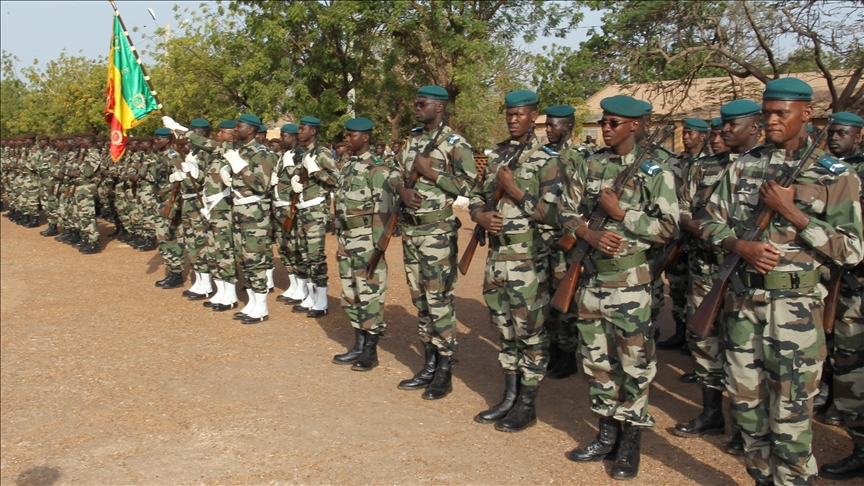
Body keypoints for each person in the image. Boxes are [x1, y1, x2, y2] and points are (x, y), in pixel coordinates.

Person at [700, 78, 864, 486]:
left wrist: (795, 216)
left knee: (790, 420)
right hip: (743, 304)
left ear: (806, 114)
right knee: (748, 412)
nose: (770, 120)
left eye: (780, 113)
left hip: (797, 310)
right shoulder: (743, 165)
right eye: (766, 112)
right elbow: (706, 222)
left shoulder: (835, 176)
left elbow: (854, 250)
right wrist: (739, 244)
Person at [561, 95, 679, 480]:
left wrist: (622, 214)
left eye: (613, 123)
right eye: (603, 123)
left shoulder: (656, 171)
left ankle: (630, 443)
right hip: (591, 277)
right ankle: (605, 433)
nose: (606, 128)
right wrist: (585, 233)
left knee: (635, 364)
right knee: (596, 361)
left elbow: (669, 229)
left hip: (629, 284)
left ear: (635, 126)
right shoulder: (592, 163)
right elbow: (563, 210)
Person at [672, 99, 763, 457]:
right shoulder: (703, 167)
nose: (721, 132)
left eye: (730, 125)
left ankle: (747, 427)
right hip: (707, 266)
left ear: (753, 127)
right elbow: (680, 207)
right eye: (720, 125)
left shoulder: (767, 166)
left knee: (747, 352)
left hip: (749, 275)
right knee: (704, 341)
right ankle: (711, 412)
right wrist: (699, 227)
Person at [469, 89, 564, 431]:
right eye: (509, 114)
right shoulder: (496, 156)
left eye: (519, 114)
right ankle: (509, 394)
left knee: (531, 333)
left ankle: (527, 403)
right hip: (498, 256)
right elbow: (477, 197)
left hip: (528, 259)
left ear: (534, 116)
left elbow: (553, 214)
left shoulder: (547, 158)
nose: (513, 120)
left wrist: (515, 189)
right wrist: (479, 215)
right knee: (504, 329)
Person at [388, 85, 476, 399]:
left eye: (421, 103)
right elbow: (394, 172)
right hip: (412, 233)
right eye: (416, 102)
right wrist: (403, 191)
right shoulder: (413, 139)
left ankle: (444, 370)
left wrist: (433, 173)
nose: (416, 107)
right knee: (421, 302)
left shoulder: (456, 143)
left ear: (439, 107)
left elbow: (469, 185)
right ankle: (428, 364)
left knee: (439, 302)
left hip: (437, 234)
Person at [819, 111, 864, 481]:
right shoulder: (830, 173)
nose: (835, 138)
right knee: (849, 367)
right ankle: (861, 448)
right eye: (831, 132)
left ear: (858, 136)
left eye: (842, 133)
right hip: (850, 286)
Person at [331, 117, 393, 371]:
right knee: (350, 293)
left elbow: (384, 211)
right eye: (347, 135)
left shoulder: (377, 169)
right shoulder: (347, 165)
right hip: (347, 238)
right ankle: (358, 344)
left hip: (366, 239)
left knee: (370, 293)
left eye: (352, 135)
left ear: (365, 138)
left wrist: (378, 248)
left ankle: (370, 350)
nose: (348, 139)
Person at [657, 117, 710, 351]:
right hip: (678, 231)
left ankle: (695, 337)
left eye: (691, 133)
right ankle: (680, 330)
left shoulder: (710, 163)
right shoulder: (675, 161)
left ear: (703, 136)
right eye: (684, 132)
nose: (686, 136)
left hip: (700, 233)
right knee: (677, 285)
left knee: (696, 286)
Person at [541, 104, 581, 379]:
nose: (548, 130)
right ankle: (552, 349)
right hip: (541, 236)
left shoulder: (580, 158)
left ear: (567, 127)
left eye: (553, 125)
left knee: (563, 299)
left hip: (566, 238)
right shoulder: (542, 156)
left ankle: (567, 354)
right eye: (546, 125)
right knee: (543, 297)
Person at [289, 116, 338, 318]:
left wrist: (317, 172)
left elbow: (337, 179)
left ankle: (322, 300)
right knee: (304, 254)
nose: (299, 132)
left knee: (316, 255)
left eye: (302, 129)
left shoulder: (322, 153)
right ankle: (311, 296)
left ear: (313, 132)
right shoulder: (303, 154)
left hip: (316, 211)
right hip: (302, 209)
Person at [272, 123, 306, 305]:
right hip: (277, 206)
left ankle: (302, 286)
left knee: (294, 248)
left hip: (289, 207)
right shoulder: (280, 156)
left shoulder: (301, 156)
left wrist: (292, 169)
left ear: (292, 138)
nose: (280, 139)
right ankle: (293, 284)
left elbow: (303, 177)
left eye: (283, 136)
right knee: (283, 247)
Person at [151, 128, 187, 289]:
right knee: (163, 237)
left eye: (158, 139)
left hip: (170, 203)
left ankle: (176, 273)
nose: (155, 142)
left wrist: (173, 204)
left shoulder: (173, 157)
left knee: (171, 238)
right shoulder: (161, 156)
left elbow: (180, 182)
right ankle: (172, 269)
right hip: (161, 201)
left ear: (167, 140)